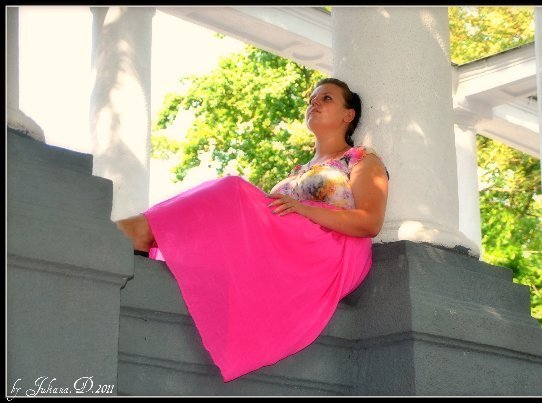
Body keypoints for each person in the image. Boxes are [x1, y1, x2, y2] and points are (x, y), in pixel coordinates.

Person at [115, 77, 389, 382]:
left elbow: (370, 222)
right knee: (228, 218)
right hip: (292, 245)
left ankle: (142, 231)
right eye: (312, 99)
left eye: (326, 98)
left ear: (348, 115)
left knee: (233, 189)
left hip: (330, 252)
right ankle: (149, 231)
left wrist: (303, 209)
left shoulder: (360, 159)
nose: (314, 102)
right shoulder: (297, 172)